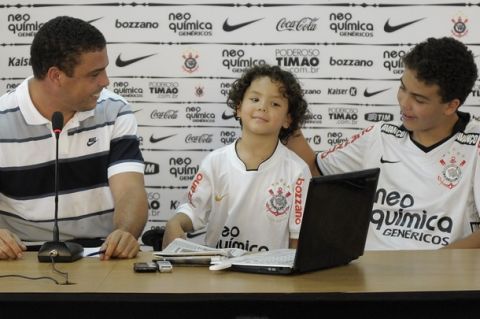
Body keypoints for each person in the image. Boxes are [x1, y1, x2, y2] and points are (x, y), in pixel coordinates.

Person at [287, 36, 480, 250]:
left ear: (451, 106)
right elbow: (315, 169)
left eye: (419, 99)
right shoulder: (379, 135)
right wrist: (288, 119)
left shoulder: (475, 145)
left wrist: (433, 266)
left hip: (443, 278)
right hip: (371, 276)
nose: (404, 103)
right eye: (402, 87)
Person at [0, 16, 148, 260]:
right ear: (56, 76)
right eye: (94, 74)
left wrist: (124, 232)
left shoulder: (115, 110)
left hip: (99, 255)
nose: (106, 81)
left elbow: (130, 191)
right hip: (21, 257)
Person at [162, 64, 311, 251]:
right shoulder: (215, 162)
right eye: (255, 99)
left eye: (275, 104)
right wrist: (175, 223)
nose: (262, 107)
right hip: (218, 273)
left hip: (271, 277)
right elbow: (192, 211)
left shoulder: (297, 170)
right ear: (239, 108)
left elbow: (297, 240)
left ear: (288, 119)